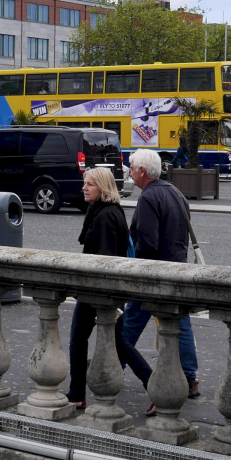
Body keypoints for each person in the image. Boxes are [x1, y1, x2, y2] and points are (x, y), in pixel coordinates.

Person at [119, 148, 199, 414]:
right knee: (180, 323)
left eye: (131, 167)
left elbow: (148, 242)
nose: (129, 171)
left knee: (130, 321)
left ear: (142, 171)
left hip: (153, 273)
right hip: (177, 268)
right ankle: (189, 377)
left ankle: (113, 362)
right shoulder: (175, 192)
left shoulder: (148, 198)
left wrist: (137, 267)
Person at [66, 167, 135, 408]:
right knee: (119, 343)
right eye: (85, 183)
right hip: (102, 290)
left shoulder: (105, 216)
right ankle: (149, 381)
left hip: (97, 291)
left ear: (103, 188)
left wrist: (95, 294)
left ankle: (76, 394)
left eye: (90, 184)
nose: (84, 188)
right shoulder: (105, 210)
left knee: (78, 339)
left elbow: (103, 259)